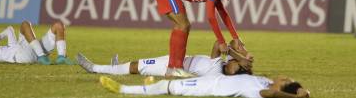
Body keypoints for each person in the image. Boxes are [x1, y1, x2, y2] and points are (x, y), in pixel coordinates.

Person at [151, 0, 251, 77]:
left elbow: (223, 13)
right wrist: (221, 41)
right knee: (183, 25)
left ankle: (172, 69)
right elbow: (211, 17)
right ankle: (175, 68)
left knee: (181, 26)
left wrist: (236, 38)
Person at [77, 40, 252, 77]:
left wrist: (240, 58)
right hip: (177, 60)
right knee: (139, 64)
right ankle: (116, 68)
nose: (233, 61)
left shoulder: (217, 72)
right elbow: (230, 43)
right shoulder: (219, 64)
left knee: (135, 67)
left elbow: (218, 44)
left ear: (233, 70)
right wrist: (241, 56)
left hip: (174, 68)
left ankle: (94, 68)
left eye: (235, 64)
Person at [100, 74, 311, 98]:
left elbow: (273, 95)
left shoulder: (262, 92)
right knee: (170, 85)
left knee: (169, 86)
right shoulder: (264, 80)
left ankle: (123, 90)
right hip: (211, 79)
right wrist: (304, 91)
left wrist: (295, 96)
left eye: (286, 81)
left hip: (208, 88)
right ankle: (153, 87)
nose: (286, 77)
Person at [0, 20, 73, 65]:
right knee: (25, 24)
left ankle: (61, 57)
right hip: (22, 55)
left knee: (58, 25)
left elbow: (9, 30)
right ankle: (41, 55)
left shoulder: (6, 49)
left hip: (27, 50)